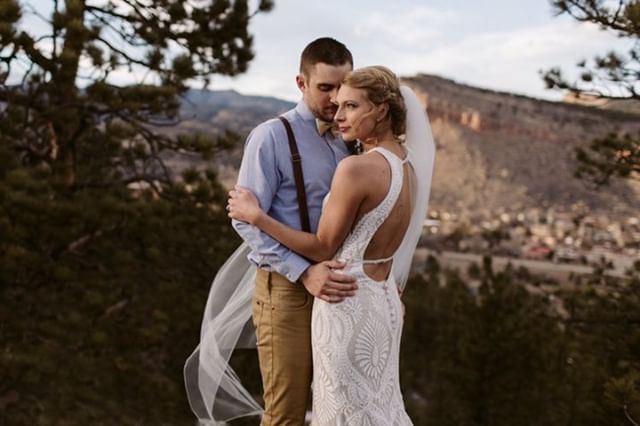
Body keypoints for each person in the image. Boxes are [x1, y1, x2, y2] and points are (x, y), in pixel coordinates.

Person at [228, 66, 435, 425]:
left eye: (351, 106)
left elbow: (323, 247)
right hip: (380, 301)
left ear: (382, 111)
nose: (338, 116)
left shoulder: (356, 168)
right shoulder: (408, 166)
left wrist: (257, 216)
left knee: (340, 411)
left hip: (344, 303)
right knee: (379, 406)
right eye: (337, 105)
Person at [184, 37, 360, 426]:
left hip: (337, 290)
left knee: (336, 406)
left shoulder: (349, 141)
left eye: (342, 87)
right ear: (301, 83)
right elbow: (244, 219)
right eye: (325, 87)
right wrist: (304, 271)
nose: (334, 98)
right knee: (286, 414)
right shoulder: (271, 136)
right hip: (284, 291)